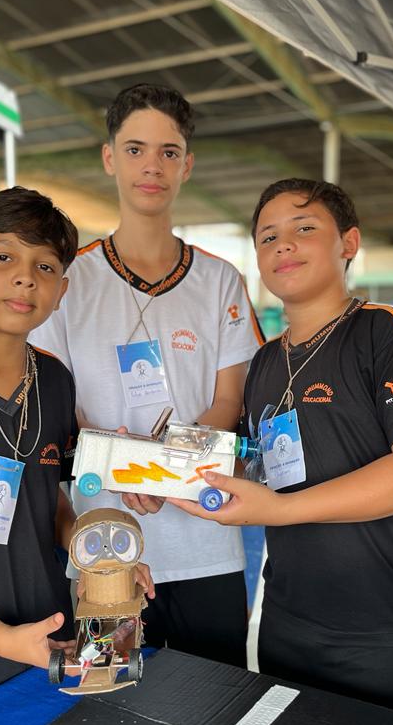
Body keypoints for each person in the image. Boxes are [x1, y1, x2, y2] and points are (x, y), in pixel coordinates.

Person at [164, 178, 393, 725]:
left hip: (392, 634)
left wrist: (281, 510)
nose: (283, 245)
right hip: (289, 631)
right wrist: (153, 472)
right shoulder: (264, 363)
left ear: (348, 243)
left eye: (304, 228)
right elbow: (254, 469)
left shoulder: (386, 331)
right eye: (268, 237)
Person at [31, 84, 263, 668]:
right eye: (135, 149)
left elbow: (228, 401)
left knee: (216, 702)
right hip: (103, 548)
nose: (151, 166)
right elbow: (59, 409)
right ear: (110, 158)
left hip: (207, 542)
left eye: (168, 151)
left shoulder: (220, 281)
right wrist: (127, 466)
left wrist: (164, 472)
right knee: (107, 693)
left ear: (187, 165)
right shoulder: (69, 282)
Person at [0, 186, 153, 725]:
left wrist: (98, 552)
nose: (25, 278)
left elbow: (45, 501)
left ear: (61, 289)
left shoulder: (53, 380)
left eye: (44, 267)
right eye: (3, 258)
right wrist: (1, 639)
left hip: (48, 637)